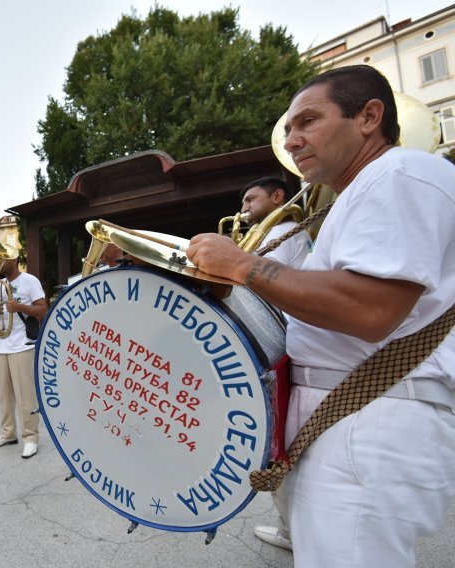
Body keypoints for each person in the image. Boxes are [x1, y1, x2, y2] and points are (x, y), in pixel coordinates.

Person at [186, 65, 455, 567]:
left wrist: (242, 264)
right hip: (348, 415)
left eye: (307, 121)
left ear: (369, 116)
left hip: (369, 419)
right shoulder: (367, 188)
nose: (291, 140)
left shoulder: (400, 173)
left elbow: (370, 308)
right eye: (288, 128)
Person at [240, 177, 311, 551]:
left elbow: (250, 284)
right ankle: (292, 527)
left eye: (252, 198)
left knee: (275, 447)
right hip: (284, 347)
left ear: (278, 197)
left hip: (279, 348)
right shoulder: (277, 234)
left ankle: (292, 531)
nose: (245, 206)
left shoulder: (283, 231)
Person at [0, 257, 47, 459]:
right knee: (5, 396)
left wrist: (20, 308)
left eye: (2, 259)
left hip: (22, 345)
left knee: (26, 396)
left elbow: (42, 309)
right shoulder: (0, 286)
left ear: (14, 260)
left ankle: (31, 438)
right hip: (3, 345)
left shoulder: (29, 281)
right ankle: (8, 433)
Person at [239, 177, 312, 269]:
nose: (243, 209)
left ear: (277, 196)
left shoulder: (281, 230)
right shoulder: (289, 228)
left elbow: (259, 278)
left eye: (250, 200)